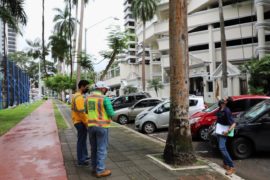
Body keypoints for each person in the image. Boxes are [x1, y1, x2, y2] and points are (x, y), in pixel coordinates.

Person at [86, 81, 115, 178]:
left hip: (91, 126)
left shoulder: (88, 98)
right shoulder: (104, 98)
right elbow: (111, 113)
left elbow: (87, 111)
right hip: (102, 127)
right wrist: (109, 116)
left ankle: (94, 168)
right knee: (102, 149)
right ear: (101, 88)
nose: (106, 90)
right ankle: (100, 170)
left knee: (94, 148)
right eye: (105, 89)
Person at [71, 80, 90, 166]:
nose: (87, 88)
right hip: (80, 122)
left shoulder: (75, 95)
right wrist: (86, 123)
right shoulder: (79, 97)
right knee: (81, 141)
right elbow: (81, 112)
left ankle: (85, 156)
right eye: (86, 87)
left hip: (77, 120)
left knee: (82, 140)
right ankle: (81, 160)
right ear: (82, 86)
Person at [216, 98, 236, 176]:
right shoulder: (221, 108)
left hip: (224, 131)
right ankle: (225, 164)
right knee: (222, 147)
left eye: (224, 99)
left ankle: (232, 167)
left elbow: (233, 123)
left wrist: (227, 131)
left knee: (222, 148)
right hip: (218, 130)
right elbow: (217, 96)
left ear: (226, 102)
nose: (222, 99)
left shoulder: (227, 111)